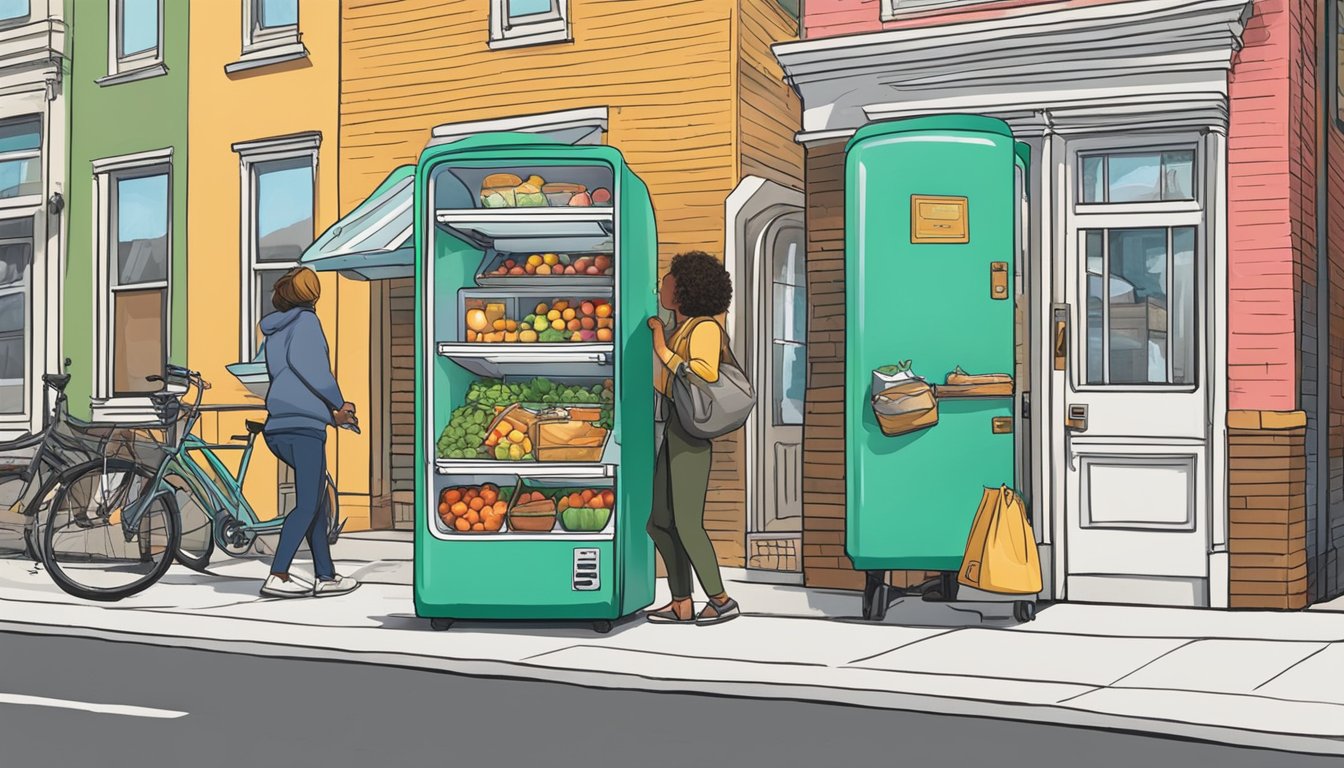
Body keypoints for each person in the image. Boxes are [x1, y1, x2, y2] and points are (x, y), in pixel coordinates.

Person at [645, 251, 741, 625]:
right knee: (659, 520)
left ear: (686, 289)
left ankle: (721, 600)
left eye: (670, 278)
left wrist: (661, 346)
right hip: (674, 424)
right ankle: (681, 601)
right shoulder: (681, 327)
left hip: (690, 429)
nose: (663, 283)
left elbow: (703, 373)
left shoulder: (704, 328)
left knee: (686, 522)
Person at [257, 267, 361, 599]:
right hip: (305, 427)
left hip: (279, 426)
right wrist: (339, 404)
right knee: (307, 504)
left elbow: (287, 376)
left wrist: (330, 412)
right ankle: (278, 573)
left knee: (315, 503)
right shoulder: (306, 323)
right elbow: (313, 370)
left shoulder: (274, 331)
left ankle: (325, 575)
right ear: (310, 294)